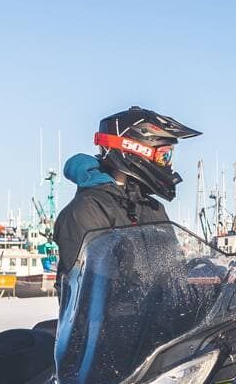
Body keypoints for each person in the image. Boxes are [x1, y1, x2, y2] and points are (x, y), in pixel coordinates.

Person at [52, 106, 199, 310]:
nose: (168, 165)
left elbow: (172, 274)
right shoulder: (87, 210)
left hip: (161, 332)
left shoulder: (152, 208)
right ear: (135, 150)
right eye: (164, 156)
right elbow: (88, 290)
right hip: (108, 334)